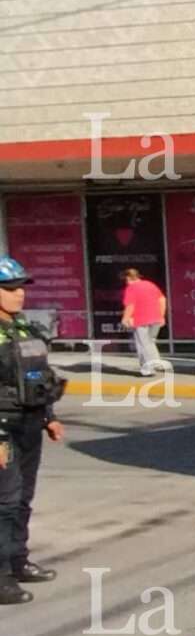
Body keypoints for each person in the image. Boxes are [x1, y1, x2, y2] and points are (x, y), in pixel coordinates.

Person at [0, 257, 66, 605]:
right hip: (3, 429)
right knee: (5, 502)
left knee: (23, 498)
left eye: (21, 287)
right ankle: (1, 578)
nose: (19, 294)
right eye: (10, 289)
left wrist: (48, 416)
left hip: (28, 423)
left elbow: (36, 375)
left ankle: (18, 560)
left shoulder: (23, 327)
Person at [120, 269, 166, 376]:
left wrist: (125, 318)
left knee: (143, 344)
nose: (125, 282)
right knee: (150, 342)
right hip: (156, 319)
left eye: (125, 280)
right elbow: (162, 299)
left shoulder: (131, 288)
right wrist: (162, 316)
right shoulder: (150, 285)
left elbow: (130, 305)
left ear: (128, 278)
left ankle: (148, 369)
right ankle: (157, 363)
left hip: (140, 319)